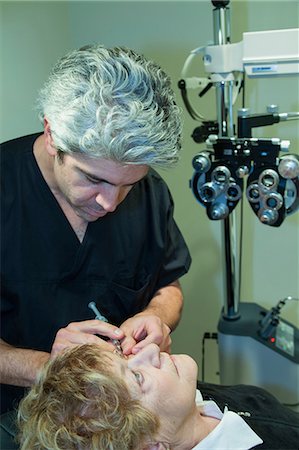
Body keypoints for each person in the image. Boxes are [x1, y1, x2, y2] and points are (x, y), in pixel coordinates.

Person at [0, 44, 191, 414]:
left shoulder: (150, 194)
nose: (110, 203)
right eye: (93, 179)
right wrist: (48, 368)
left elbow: (168, 284)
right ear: (52, 134)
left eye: (128, 185)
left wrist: (156, 317)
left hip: (114, 413)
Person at [17, 343, 299, 450]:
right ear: (152, 446)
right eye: (137, 376)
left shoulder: (191, 401)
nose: (148, 350)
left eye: (123, 355)